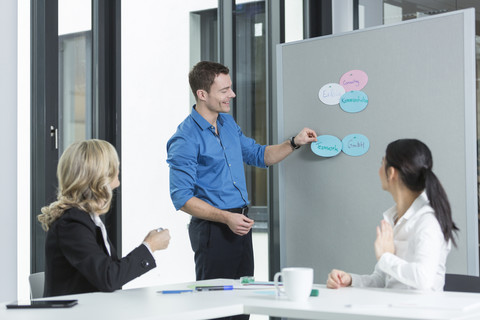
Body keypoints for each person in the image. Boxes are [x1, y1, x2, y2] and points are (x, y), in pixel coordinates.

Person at [167, 61, 317, 283]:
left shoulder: (227, 123)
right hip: (213, 229)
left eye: (231, 88)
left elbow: (259, 155)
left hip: (240, 223)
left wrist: (295, 142)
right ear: (202, 94)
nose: (233, 94)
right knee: (217, 305)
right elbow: (182, 198)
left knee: (244, 299)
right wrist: (226, 217)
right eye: (224, 90)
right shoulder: (185, 139)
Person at [38, 139, 171, 297]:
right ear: (99, 177)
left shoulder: (87, 219)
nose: (118, 171)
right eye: (114, 166)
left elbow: (107, 273)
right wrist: (150, 246)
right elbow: (108, 278)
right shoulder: (72, 224)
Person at [327, 139, 458, 291]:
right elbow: (383, 280)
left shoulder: (427, 221)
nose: (379, 170)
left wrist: (385, 257)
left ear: (391, 173)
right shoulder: (393, 217)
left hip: (419, 313)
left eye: (382, 163)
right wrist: (350, 280)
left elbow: (423, 278)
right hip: (392, 310)